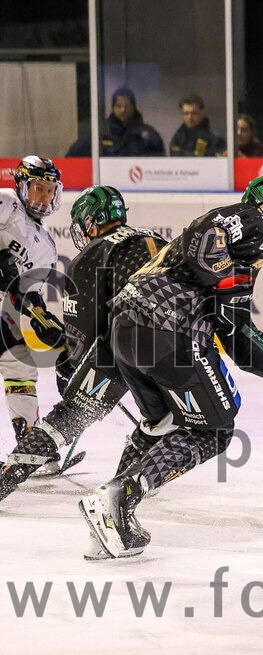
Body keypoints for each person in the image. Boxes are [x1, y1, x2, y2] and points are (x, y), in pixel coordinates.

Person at [78, 176, 263, 559]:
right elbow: (208, 232)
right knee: (214, 431)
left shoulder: (244, 263)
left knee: (162, 424)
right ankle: (117, 498)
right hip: (167, 328)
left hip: (127, 329)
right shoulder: (250, 220)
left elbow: (238, 339)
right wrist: (220, 273)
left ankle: (110, 515)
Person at [0, 186, 167, 506]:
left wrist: (68, 358)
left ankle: (10, 473)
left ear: (92, 222)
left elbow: (81, 339)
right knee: (159, 418)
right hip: (177, 350)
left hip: (121, 350)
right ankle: (128, 482)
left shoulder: (93, 254)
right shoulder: (158, 240)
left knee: (69, 416)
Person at [0, 157, 65, 463]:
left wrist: (41, 318)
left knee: (22, 370)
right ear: (22, 186)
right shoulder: (7, 203)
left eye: (50, 190)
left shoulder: (48, 248)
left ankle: (29, 451)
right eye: (38, 188)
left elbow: (28, 293)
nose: (44, 197)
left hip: (6, 316)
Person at [99, 87, 165, 157]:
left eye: (127, 106)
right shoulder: (102, 132)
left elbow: (159, 161)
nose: (123, 110)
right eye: (119, 106)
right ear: (113, 108)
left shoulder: (148, 134)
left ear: (133, 107)